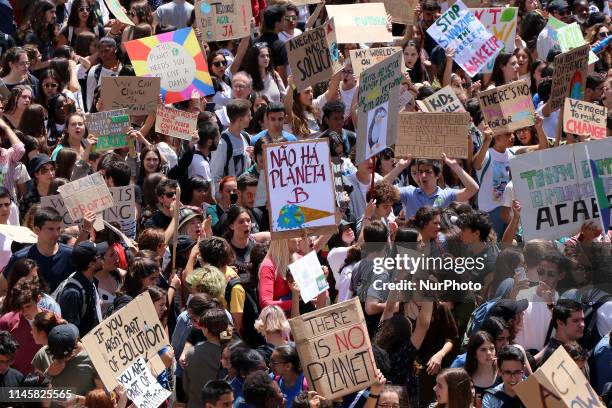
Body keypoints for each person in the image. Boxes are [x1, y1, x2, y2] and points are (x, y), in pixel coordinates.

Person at [2, 206, 73, 293]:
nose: (56, 234)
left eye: (58, 229)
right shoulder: (20, 258)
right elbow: (3, 287)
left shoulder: (70, 254)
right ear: (37, 230)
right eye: (50, 229)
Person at [56, 240, 107, 337]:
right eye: (100, 256)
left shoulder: (91, 280)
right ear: (90, 264)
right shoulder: (72, 293)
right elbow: (71, 332)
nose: (104, 258)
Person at [45, 323, 103, 404]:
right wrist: (48, 375)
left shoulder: (92, 356)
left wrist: (78, 399)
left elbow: (102, 400)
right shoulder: (47, 362)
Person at [0, 275, 44, 375]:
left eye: (28, 306)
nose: (24, 312)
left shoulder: (53, 320)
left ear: (38, 299)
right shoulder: (6, 322)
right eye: (21, 307)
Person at [209, 99, 252, 188]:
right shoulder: (223, 143)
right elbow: (215, 177)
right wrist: (222, 199)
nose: (251, 118)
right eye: (248, 116)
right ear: (240, 120)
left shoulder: (246, 136)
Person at [535, 299, 585, 366]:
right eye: (576, 321)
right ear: (560, 323)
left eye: (582, 319)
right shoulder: (554, 355)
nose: (582, 325)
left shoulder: (574, 345)